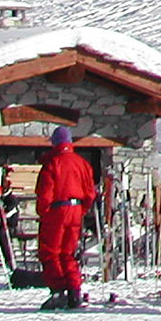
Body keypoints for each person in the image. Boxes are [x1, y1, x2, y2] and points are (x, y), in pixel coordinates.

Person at [35, 127, 95, 310]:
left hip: (57, 210)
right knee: (68, 253)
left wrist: (43, 212)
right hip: (76, 210)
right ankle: (74, 290)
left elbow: (45, 193)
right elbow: (90, 193)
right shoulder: (82, 163)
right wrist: (81, 209)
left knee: (51, 251)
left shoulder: (53, 163)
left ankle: (58, 290)